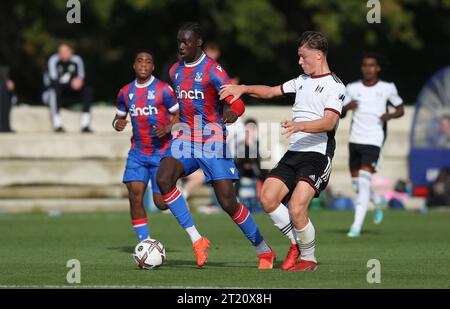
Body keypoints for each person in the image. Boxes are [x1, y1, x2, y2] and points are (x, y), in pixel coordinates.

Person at [220, 31, 346, 271]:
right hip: (295, 152)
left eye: (303, 56)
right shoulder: (301, 80)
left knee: (297, 207)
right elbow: (270, 91)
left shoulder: (335, 86)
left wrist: (300, 125)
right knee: (267, 197)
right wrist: (243, 88)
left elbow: (329, 122)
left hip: (317, 155)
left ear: (318, 56)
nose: (299, 61)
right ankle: (295, 244)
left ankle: (309, 259)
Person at [156, 22, 275, 269]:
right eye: (178, 41)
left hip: (212, 141)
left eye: (185, 42)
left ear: (198, 43)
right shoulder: (174, 71)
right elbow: (182, 106)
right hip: (186, 138)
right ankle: (197, 240)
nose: (180, 46)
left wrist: (233, 112)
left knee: (228, 202)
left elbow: (237, 102)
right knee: (164, 178)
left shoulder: (213, 70)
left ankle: (263, 250)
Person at [113, 49, 179, 241]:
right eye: (140, 61)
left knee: (160, 203)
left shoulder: (163, 89)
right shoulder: (125, 92)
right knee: (135, 196)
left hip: (161, 152)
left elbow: (179, 114)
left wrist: (168, 128)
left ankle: (176, 190)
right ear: (134, 65)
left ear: (153, 67)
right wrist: (116, 124)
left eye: (148, 62)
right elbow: (118, 118)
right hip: (138, 153)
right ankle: (145, 243)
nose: (143, 64)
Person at [341, 52, 404, 237]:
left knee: (363, 180)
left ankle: (356, 227)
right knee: (356, 184)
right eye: (365, 65)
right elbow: (341, 113)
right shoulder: (351, 88)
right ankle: (377, 201)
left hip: (374, 140)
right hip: (355, 140)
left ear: (378, 68)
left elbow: (400, 109)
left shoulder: (387, 88)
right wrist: (346, 107)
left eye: (371, 65)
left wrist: (390, 115)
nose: (368, 69)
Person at [46, 42, 94, 132]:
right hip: (56, 93)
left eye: (66, 51)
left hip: (72, 93)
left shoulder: (77, 60)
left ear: (71, 51)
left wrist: (79, 82)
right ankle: (57, 124)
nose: (63, 53)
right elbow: (53, 80)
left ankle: (85, 124)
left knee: (88, 90)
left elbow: (82, 77)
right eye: (61, 51)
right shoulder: (53, 60)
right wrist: (70, 84)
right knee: (55, 90)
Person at [0, 66, 16, 133]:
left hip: (5, 100)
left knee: (5, 113)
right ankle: (4, 128)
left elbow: (11, 89)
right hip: (4, 100)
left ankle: (5, 128)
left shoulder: (7, 82)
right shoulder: (5, 83)